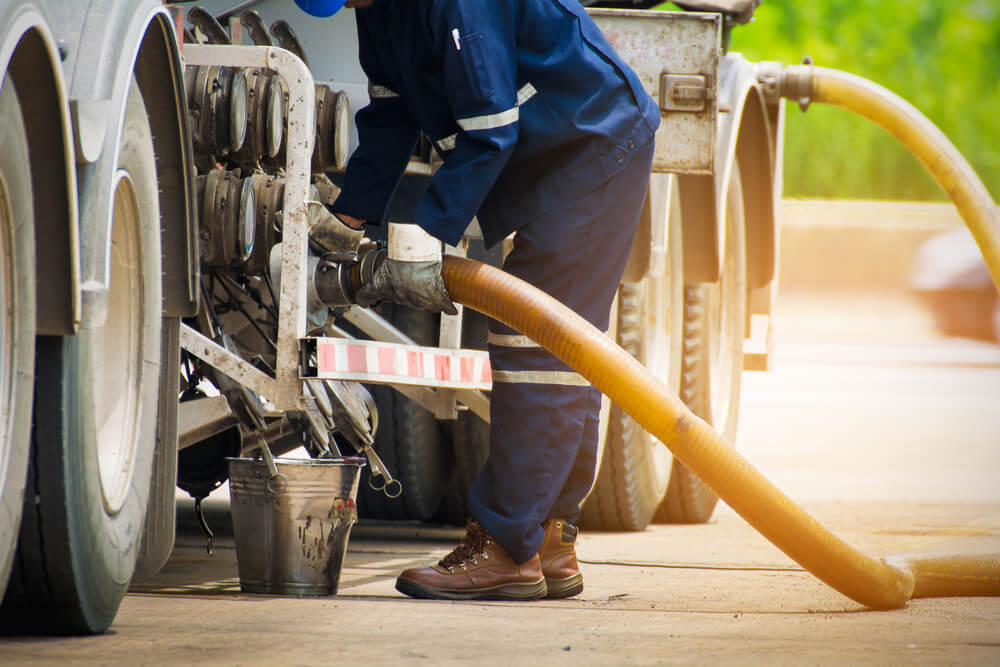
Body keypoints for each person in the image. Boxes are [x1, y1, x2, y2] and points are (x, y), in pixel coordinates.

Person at [299, 0, 659, 600]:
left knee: (537, 351)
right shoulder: (379, 11)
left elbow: (492, 131)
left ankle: (506, 548)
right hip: (557, 155)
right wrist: (346, 217)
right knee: (565, 349)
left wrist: (427, 234)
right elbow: (391, 116)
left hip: (591, 149)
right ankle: (549, 540)